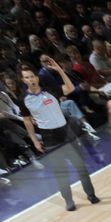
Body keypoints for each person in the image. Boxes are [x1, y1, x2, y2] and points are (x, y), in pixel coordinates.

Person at [19, 59, 100, 211]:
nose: (31, 79)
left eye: (32, 76)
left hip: (66, 132)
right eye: (27, 77)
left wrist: (58, 69)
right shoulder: (24, 100)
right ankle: (69, 201)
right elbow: (27, 121)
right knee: (61, 172)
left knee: (80, 166)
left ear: (36, 77)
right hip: (50, 137)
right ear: (23, 80)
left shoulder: (50, 89)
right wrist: (35, 140)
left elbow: (70, 87)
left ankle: (91, 195)